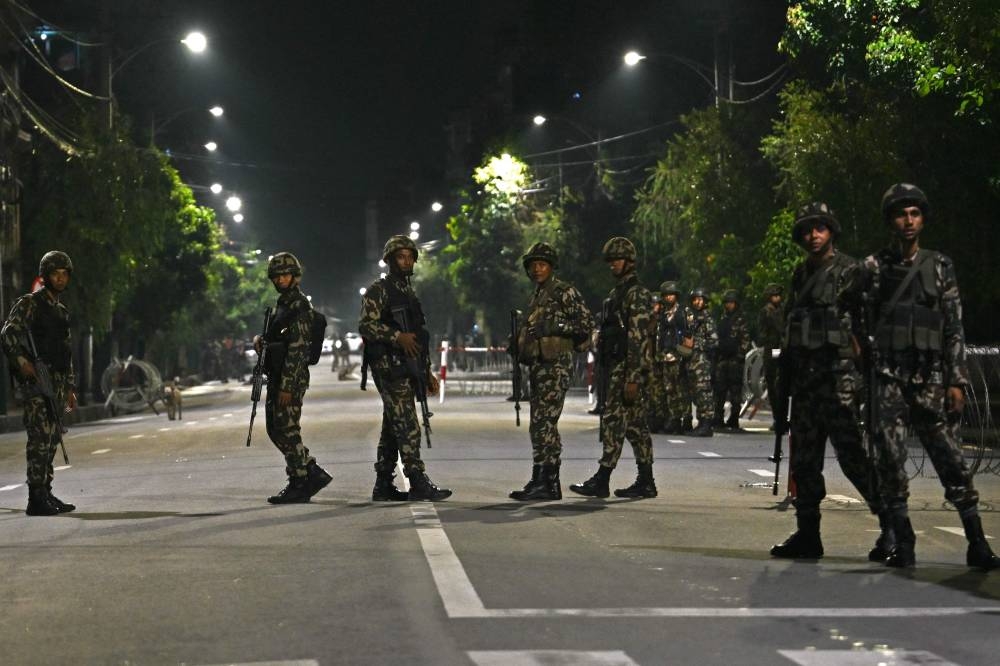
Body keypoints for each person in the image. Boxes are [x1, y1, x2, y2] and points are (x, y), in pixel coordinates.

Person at [862, 184, 998, 570]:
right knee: (890, 461)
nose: (908, 221)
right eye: (901, 214)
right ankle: (903, 543)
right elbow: (856, 318)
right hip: (888, 379)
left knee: (951, 461)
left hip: (930, 379)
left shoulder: (939, 266)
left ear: (922, 218)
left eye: (914, 214)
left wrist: (958, 381)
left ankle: (976, 542)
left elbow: (954, 326)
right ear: (890, 220)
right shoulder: (874, 268)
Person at [770, 203, 882, 559]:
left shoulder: (851, 271)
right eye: (807, 230)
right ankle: (808, 534)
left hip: (840, 381)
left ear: (831, 230)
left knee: (855, 460)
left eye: (819, 228)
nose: (813, 236)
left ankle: (893, 528)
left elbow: (867, 328)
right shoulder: (800, 275)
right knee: (804, 462)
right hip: (805, 383)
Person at [360, 235, 451, 502]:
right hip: (388, 367)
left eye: (410, 256)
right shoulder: (380, 290)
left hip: (408, 366)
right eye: (401, 256)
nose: (407, 261)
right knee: (408, 424)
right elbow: (366, 325)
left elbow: (418, 337)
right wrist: (396, 337)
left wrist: (427, 371)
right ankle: (417, 479)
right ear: (390, 260)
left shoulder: (409, 294)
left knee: (393, 425)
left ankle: (382, 484)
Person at [570, 237, 656, 499]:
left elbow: (639, 338)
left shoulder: (636, 294)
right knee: (635, 426)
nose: (612, 265)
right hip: (617, 367)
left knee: (613, 422)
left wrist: (632, 377)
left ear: (629, 262)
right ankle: (646, 480)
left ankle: (603, 478)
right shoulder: (617, 294)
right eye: (610, 261)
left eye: (617, 260)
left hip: (628, 369)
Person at [508, 243, 594, 501]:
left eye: (542, 264)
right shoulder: (537, 295)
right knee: (539, 425)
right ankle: (540, 478)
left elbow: (586, 324)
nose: (537, 269)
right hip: (539, 366)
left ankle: (549, 481)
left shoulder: (563, 292)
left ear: (551, 266)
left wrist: (553, 326)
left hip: (556, 366)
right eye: (533, 265)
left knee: (545, 423)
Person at [1, 251, 78, 516]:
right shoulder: (29, 304)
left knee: (54, 435)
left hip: (56, 381)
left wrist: (69, 387)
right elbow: (8, 334)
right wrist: (22, 362)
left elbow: (66, 352)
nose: (60, 278)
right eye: (55, 273)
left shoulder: (61, 310)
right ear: (45, 276)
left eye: (64, 274)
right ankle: (35, 497)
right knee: (39, 438)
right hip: (35, 381)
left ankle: (46, 490)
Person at [256, 252, 333, 504]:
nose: (281, 279)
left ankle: (300, 479)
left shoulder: (298, 306)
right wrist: (262, 343)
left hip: (292, 378)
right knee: (276, 429)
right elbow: (280, 342)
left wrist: (288, 386)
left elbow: (297, 349)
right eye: (277, 276)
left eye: (286, 275)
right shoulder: (283, 305)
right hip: (279, 375)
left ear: (295, 277)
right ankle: (309, 471)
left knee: (287, 429)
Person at [652, 281, 692, 435]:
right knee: (669, 390)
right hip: (665, 357)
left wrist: (686, 352)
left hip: (679, 356)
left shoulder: (683, 312)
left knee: (681, 389)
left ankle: (686, 420)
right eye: (666, 295)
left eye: (671, 294)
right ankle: (674, 419)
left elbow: (689, 334)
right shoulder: (663, 315)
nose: (669, 297)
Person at [713, 289, 751, 431]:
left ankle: (734, 419)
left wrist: (739, 355)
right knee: (720, 391)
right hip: (723, 360)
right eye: (727, 303)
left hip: (735, 361)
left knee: (735, 392)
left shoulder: (741, 320)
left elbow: (745, 340)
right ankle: (718, 418)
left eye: (731, 303)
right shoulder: (723, 319)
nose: (729, 305)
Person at [685, 287, 718, 437]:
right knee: (697, 393)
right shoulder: (692, 319)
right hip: (692, 361)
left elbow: (714, 341)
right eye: (695, 300)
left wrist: (697, 345)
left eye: (700, 299)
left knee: (704, 392)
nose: (697, 302)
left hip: (702, 361)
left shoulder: (707, 319)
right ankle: (701, 422)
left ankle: (707, 423)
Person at [756, 283, 785, 422]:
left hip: (783, 350)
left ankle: (782, 417)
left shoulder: (784, 310)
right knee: (773, 385)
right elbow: (761, 334)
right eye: (774, 295)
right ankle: (778, 418)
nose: (777, 298)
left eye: (778, 295)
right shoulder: (766, 311)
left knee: (782, 386)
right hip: (773, 350)